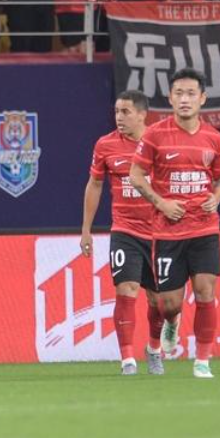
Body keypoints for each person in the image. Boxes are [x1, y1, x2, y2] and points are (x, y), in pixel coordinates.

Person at [128, 67, 220, 379]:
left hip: (204, 227)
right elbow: (135, 175)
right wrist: (161, 202)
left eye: (191, 94)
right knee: (169, 303)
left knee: (205, 291)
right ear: (170, 98)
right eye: (179, 93)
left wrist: (216, 198)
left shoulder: (215, 138)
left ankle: (202, 361)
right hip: (168, 231)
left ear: (202, 98)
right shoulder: (155, 135)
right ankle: (171, 323)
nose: (184, 99)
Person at [81, 89, 165, 376]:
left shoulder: (160, 142)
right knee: (126, 289)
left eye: (126, 112)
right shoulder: (105, 145)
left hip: (160, 233)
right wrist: (86, 229)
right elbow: (95, 185)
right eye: (117, 111)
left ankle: (154, 349)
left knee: (159, 301)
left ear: (142, 115)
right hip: (124, 230)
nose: (119, 117)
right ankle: (127, 359)